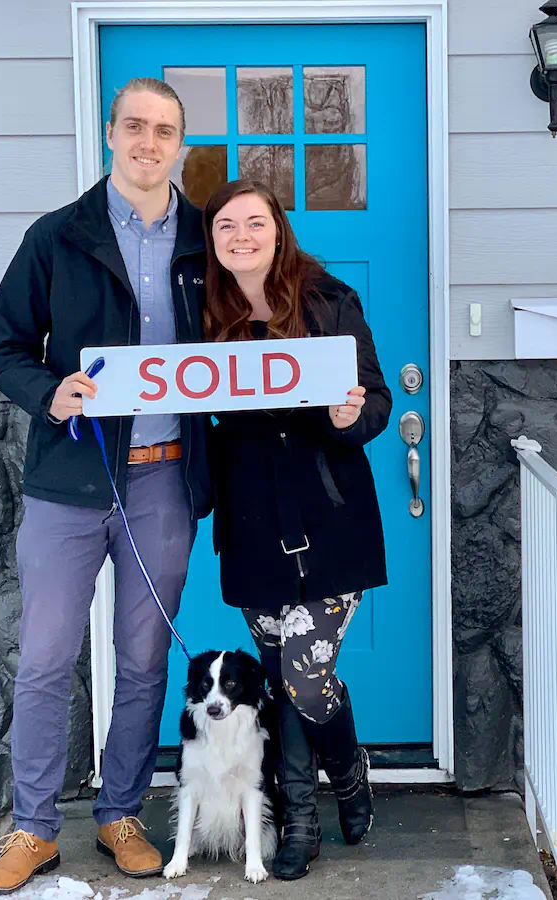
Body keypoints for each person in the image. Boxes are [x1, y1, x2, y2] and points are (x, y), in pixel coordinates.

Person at [0, 77, 212, 891]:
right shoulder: (58, 237)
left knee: (145, 661)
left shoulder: (206, 239)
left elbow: (256, 333)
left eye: (166, 131)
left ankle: (120, 814)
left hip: (165, 481)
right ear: (111, 134)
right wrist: (51, 391)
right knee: (45, 660)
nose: (150, 143)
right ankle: (32, 828)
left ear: (181, 143)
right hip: (70, 482)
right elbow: (3, 346)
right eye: (136, 127)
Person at [201, 179, 390, 880]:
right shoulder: (203, 315)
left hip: (331, 519)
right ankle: (298, 822)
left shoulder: (328, 300)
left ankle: (346, 778)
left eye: (255, 223)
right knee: (280, 681)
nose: (242, 236)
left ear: (278, 230)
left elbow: (374, 397)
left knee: (307, 679)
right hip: (252, 523)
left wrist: (353, 416)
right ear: (213, 241)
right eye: (226, 226)